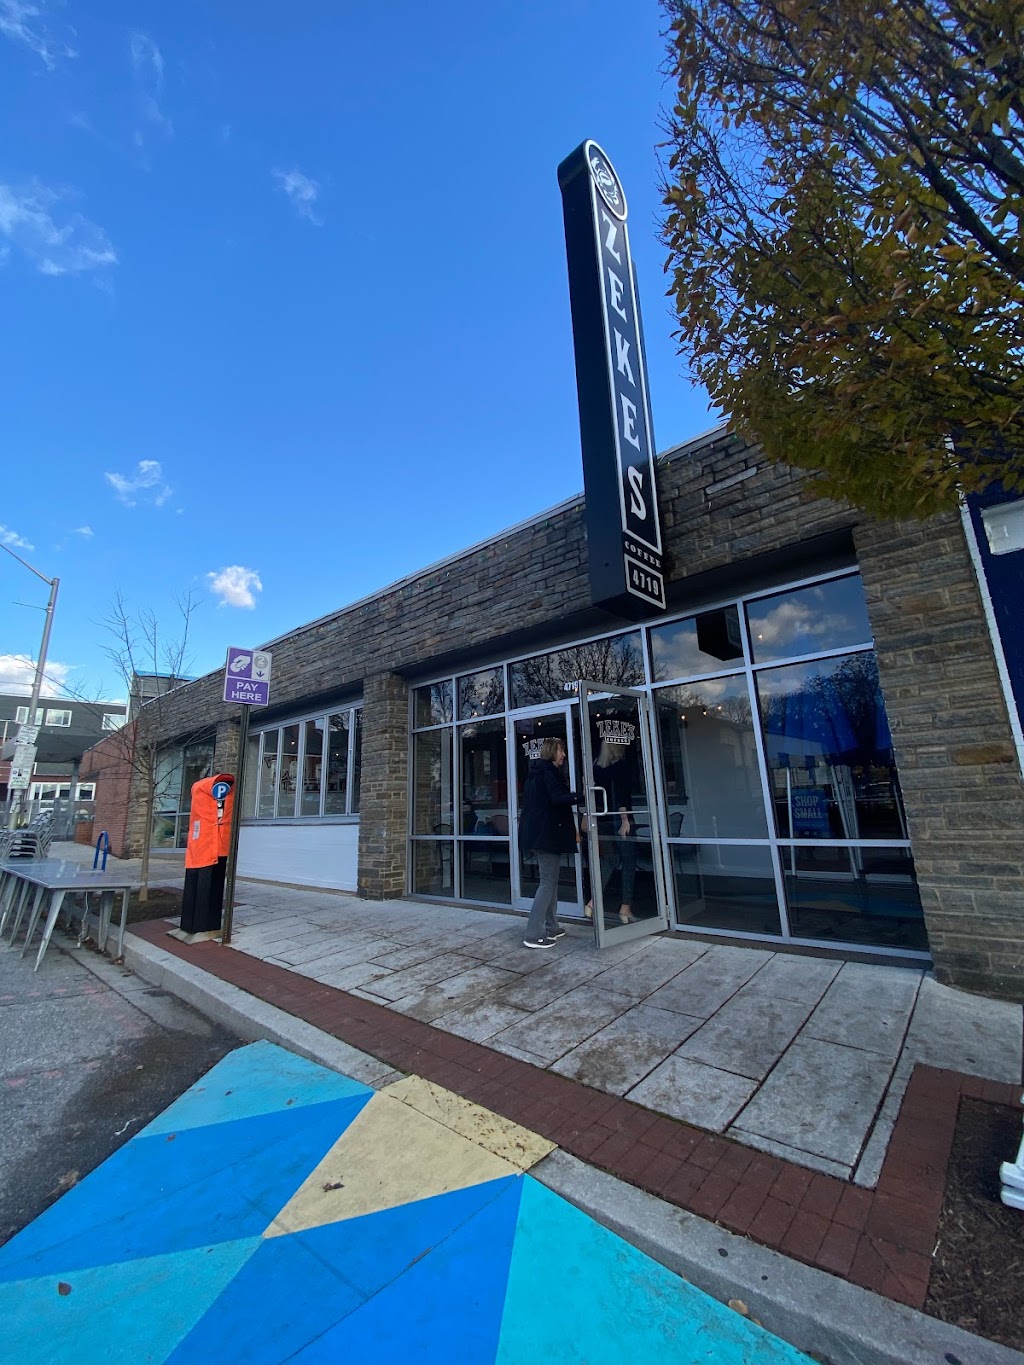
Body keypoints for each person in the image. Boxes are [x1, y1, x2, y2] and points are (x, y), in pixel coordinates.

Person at [518, 737, 579, 948]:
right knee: (547, 883)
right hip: (546, 835)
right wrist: (580, 796)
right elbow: (557, 799)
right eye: (561, 751)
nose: (564, 755)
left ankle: (552, 927)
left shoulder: (537, 774)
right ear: (553, 751)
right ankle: (533, 934)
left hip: (541, 834)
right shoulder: (548, 774)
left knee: (550, 882)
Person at [584, 738, 637, 925]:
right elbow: (621, 794)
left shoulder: (596, 767)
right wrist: (625, 819)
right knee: (628, 861)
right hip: (618, 819)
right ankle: (625, 907)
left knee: (609, 860)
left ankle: (592, 902)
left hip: (601, 819)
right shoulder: (622, 766)